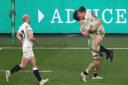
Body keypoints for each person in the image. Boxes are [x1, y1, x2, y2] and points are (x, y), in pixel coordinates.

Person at [73, 6, 113, 82]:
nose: (81, 19)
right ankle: (84, 73)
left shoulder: (88, 18)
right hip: (92, 43)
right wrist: (99, 22)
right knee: (96, 61)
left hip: (95, 41)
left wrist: (98, 22)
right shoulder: (84, 24)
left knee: (100, 58)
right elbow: (87, 32)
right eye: (79, 18)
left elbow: (93, 23)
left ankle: (95, 75)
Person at [5, 14, 48, 85]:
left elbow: (17, 35)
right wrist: (36, 41)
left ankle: (41, 81)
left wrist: (22, 42)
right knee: (24, 66)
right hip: (28, 47)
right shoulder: (28, 26)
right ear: (27, 18)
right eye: (29, 18)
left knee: (30, 65)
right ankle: (9, 72)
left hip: (26, 47)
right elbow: (30, 37)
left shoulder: (21, 26)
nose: (30, 19)